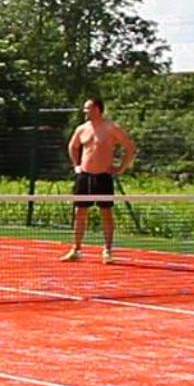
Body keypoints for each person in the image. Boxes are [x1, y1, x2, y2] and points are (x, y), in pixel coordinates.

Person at [60, 96, 137, 263]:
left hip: (103, 176)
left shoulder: (111, 128)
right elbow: (72, 146)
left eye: (88, 108)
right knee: (80, 212)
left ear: (97, 109)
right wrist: (76, 165)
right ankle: (76, 249)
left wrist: (121, 168)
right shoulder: (82, 129)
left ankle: (107, 251)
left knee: (106, 213)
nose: (85, 111)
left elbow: (129, 147)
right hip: (85, 176)